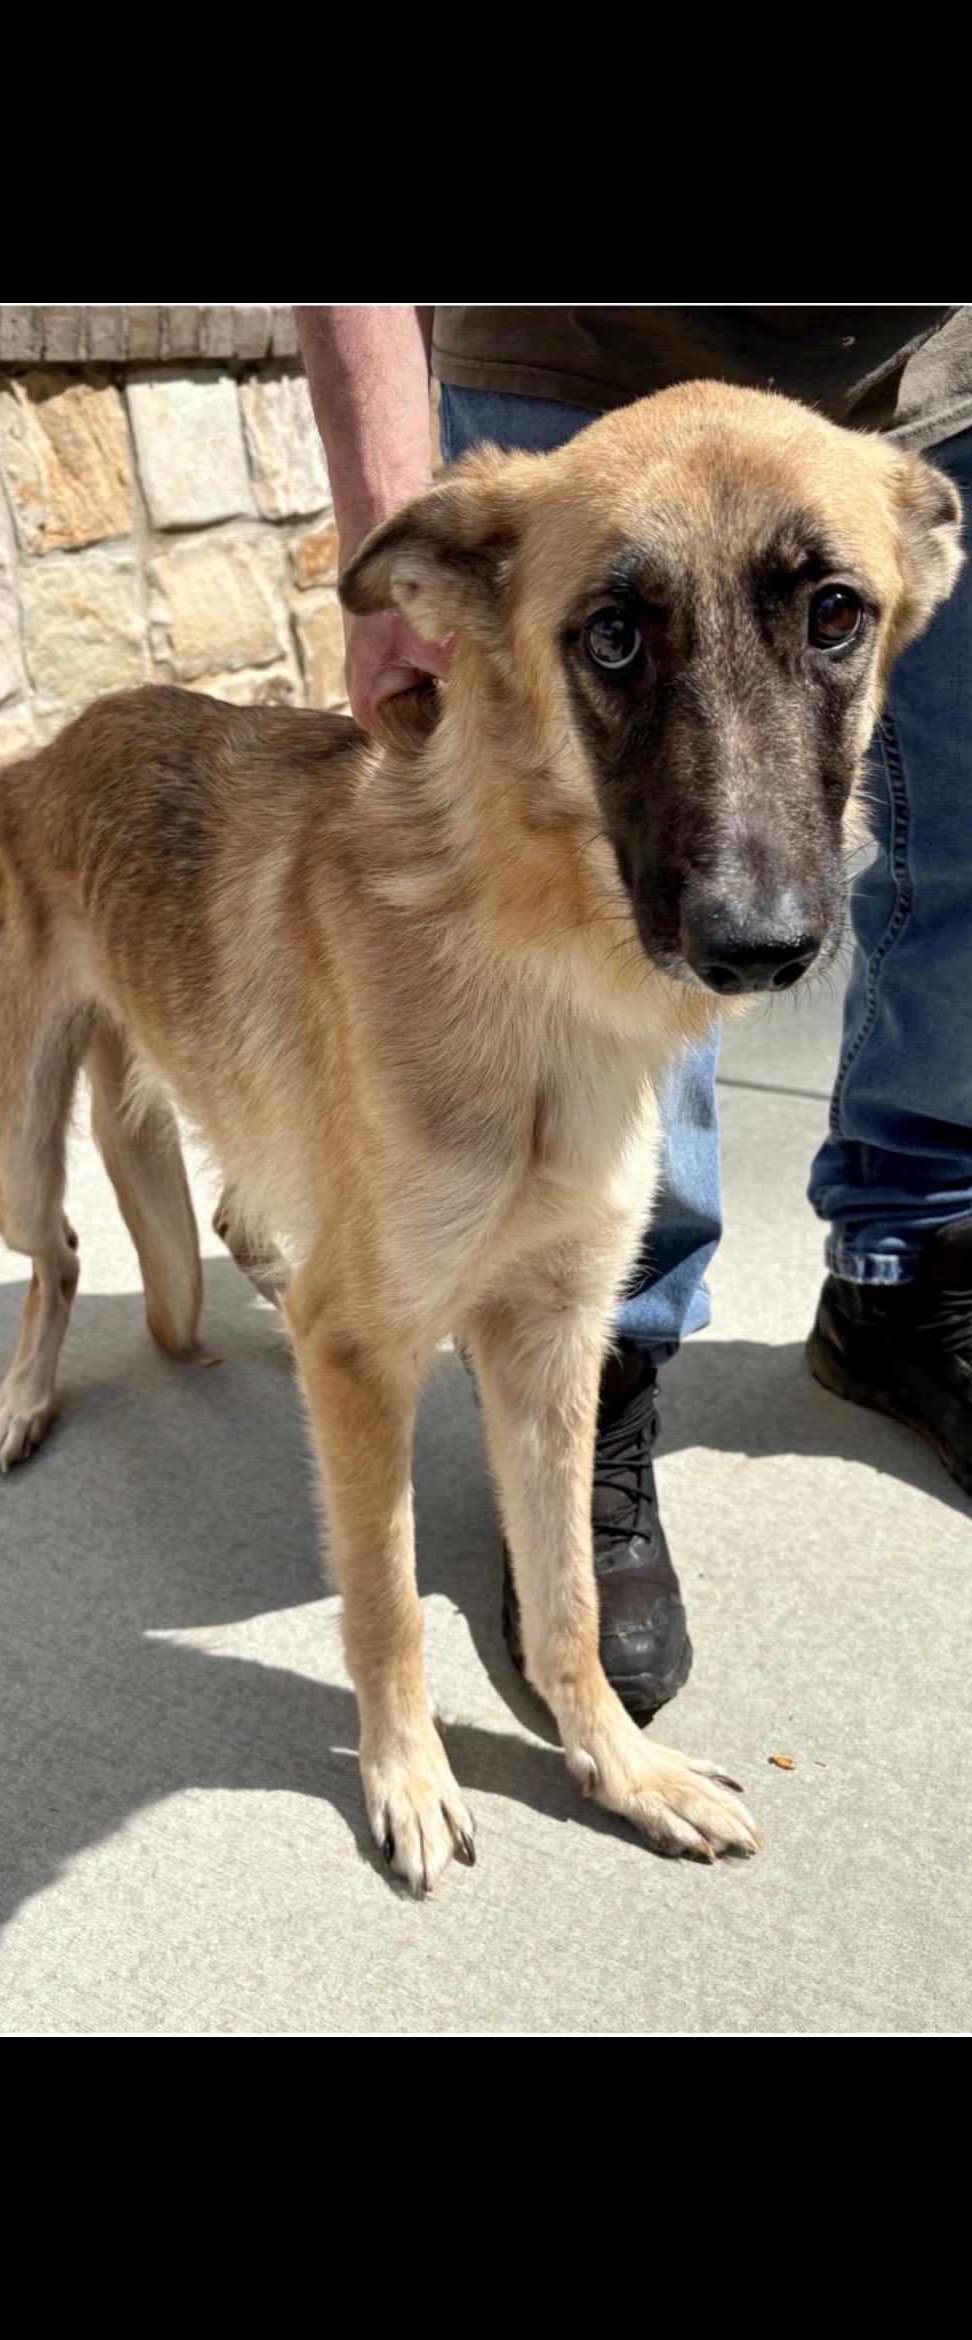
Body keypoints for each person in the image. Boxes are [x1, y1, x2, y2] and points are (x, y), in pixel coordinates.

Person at [294, 305, 972, 1720]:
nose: (755, 901)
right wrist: (386, 510)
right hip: (566, 346)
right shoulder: (512, 542)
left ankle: (908, 1270)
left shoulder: (901, 517)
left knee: (964, 843)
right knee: (577, 902)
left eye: (832, 616)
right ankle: (607, 1353)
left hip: (932, 369)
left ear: (919, 564)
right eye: (621, 635)